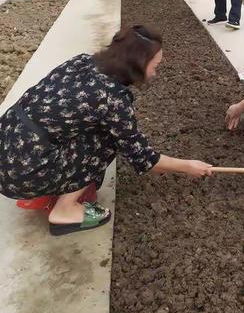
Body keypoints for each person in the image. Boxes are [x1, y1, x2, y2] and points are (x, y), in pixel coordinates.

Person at [0, 25, 212, 236]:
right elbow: (145, 159)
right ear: (138, 64)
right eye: (155, 66)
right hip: (21, 172)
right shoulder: (113, 99)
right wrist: (188, 166)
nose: (156, 72)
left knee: (92, 128)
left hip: (8, 146)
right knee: (109, 138)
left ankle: (49, 182)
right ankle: (64, 211)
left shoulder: (82, 62)